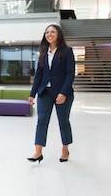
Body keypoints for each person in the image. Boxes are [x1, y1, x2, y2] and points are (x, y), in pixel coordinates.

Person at [27, 23, 75, 163]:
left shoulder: (66, 51)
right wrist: (32, 93)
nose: (49, 34)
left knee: (63, 121)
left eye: (52, 32)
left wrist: (63, 92)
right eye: (47, 32)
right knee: (41, 121)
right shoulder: (43, 52)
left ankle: (65, 149)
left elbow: (70, 73)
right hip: (45, 92)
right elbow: (38, 75)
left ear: (58, 34)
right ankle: (38, 152)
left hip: (62, 92)